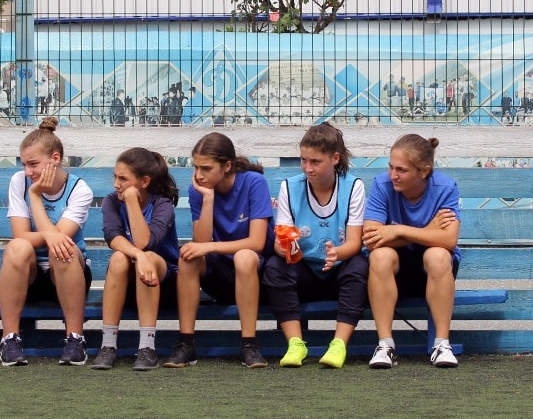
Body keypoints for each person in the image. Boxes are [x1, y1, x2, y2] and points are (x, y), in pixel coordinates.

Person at [261, 124, 369, 369]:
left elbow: (354, 242)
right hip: (305, 272)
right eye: (303, 160)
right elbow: (282, 239)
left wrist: (337, 253)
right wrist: (283, 248)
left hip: (338, 270)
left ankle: (338, 345)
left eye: (315, 162)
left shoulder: (353, 186)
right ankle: (295, 344)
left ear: (335, 158)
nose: (308, 168)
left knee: (359, 266)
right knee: (275, 267)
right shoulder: (289, 187)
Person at [165, 133, 273, 369]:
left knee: (244, 256)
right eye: (196, 167)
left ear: (227, 166)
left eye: (206, 168)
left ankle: (249, 345)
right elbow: (200, 243)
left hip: (256, 275)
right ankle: (186, 344)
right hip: (222, 276)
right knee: (188, 258)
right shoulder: (198, 190)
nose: (198, 175)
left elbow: (256, 242)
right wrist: (208, 199)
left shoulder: (254, 182)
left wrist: (210, 246)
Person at [0, 117, 93, 366]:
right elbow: (21, 235)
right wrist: (50, 233)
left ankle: (75, 339)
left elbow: (61, 239)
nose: (28, 172)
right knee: (17, 247)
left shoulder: (79, 189)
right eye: (24, 164)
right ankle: (9, 339)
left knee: (63, 250)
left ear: (55, 159)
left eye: (33, 164)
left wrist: (35, 196)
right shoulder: (19, 181)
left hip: (68, 273)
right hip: (28, 276)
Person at [363, 134, 462, 369]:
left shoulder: (446, 188)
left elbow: (448, 240)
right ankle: (385, 346)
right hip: (394, 270)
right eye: (391, 167)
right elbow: (371, 240)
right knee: (380, 255)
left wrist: (398, 230)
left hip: (433, 270)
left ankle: (442, 345)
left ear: (424, 172)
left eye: (402, 170)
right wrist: (427, 231)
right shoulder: (381, 185)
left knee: (438, 254)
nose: (393, 175)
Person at [92, 147, 180, 372]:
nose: (116, 184)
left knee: (149, 256)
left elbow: (145, 242)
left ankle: (147, 348)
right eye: (115, 177)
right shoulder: (112, 201)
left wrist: (132, 202)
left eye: (123, 179)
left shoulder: (162, 205)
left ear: (144, 182)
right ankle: (108, 345)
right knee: (119, 258)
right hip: (128, 286)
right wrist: (137, 255)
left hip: (165, 287)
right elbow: (113, 237)